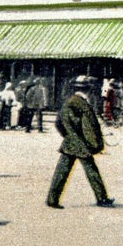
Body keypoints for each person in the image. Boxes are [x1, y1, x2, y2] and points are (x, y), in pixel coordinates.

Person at [46, 75, 115, 209]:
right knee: (91, 171)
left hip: (73, 142)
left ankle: (52, 200)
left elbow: (59, 122)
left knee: (62, 171)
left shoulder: (73, 101)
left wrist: (68, 136)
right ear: (87, 90)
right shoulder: (78, 103)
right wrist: (85, 140)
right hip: (81, 143)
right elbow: (83, 125)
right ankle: (102, 199)